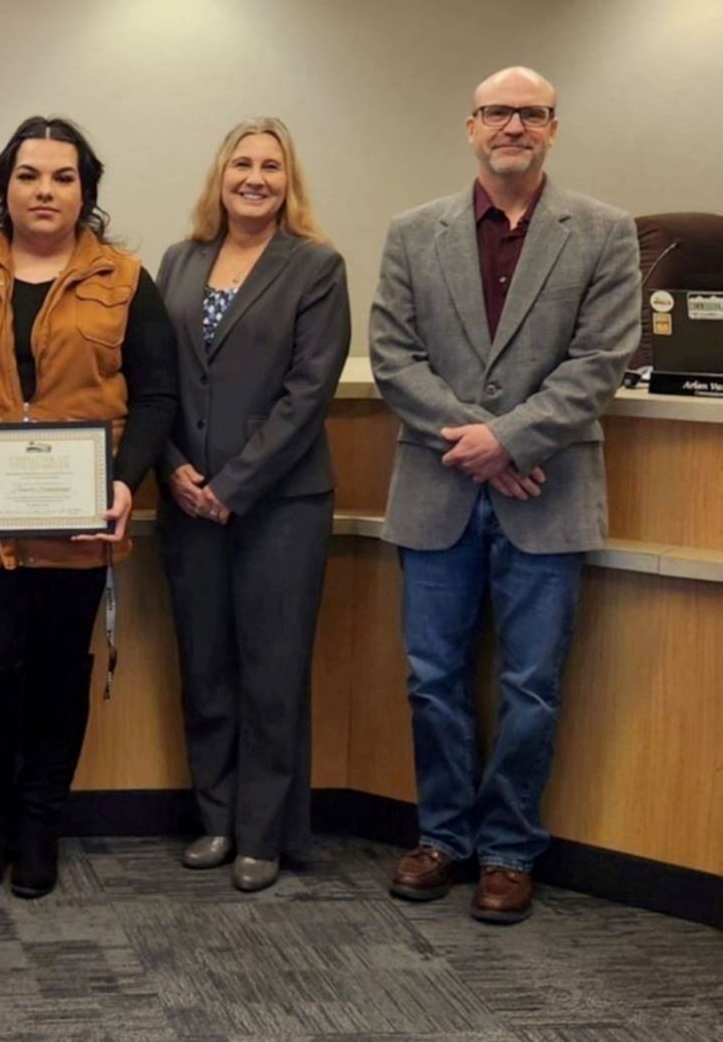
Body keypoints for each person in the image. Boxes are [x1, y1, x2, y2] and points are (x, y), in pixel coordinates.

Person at [370, 67, 639, 924]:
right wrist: (483, 446)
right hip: (439, 491)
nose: (511, 126)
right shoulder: (413, 234)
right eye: (496, 112)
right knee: (431, 677)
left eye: (529, 114)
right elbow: (393, 358)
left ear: (552, 128)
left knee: (531, 685)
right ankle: (442, 838)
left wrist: (509, 441)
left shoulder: (602, 232)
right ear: (470, 125)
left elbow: (599, 362)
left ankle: (509, 851)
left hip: (547, 494)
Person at [0, 117, 177, 898]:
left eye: (63, 177)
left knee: (61, 672)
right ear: (5, 184)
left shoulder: (125, 280)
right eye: (29, 175)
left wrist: (126, 480)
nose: (44, 190)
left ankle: (39, 824)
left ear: (85, 192)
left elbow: (158, 396)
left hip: (76, 520)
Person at [155, 118, 351, 893]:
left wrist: (231, 487)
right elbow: (155, 379)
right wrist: (171, 470)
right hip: (183, 497)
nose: (255, 177)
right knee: (205, 667)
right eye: (242, 163)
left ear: (287, 181)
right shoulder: (179, 260)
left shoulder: (314, 266)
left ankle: (263, 835)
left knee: (270, 671)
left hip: (280, 506)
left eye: (271, 166)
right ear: (220, 173)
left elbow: (309, 393)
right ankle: (215, 819)